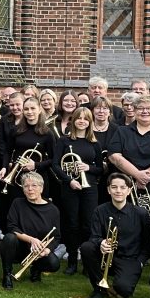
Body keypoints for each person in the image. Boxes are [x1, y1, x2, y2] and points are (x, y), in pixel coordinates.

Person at [81, 173, 150, 298]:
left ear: (129, 190)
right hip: (106, 255)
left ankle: (116, 285)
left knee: (124, 290)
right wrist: (101, 242)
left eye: (123, 187)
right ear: (108, 190)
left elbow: (147, 243)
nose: (118, 191)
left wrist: (140, 262)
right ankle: (99, 289)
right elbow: (94, 237)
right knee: (86, 247)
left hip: (129, 258)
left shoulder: (141, 213)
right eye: (114, 187)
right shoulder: (99, 211)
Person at [51, 106, 104, 275]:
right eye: (79, 118)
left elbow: (100, 169)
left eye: (86, 119)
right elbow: (55, 165)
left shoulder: (94, 143)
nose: (82, 121)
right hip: (70, 187)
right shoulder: (64, 141)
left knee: (88, 224)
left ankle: (88, 263)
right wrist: (70, 181)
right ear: (73, 120)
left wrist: (88, 167)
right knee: (72, 224)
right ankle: (72, 261)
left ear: (90, 122)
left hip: (90, 187)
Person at [0, 172, 61, 289]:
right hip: (20, 248)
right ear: (23, 189)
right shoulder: (17, 203)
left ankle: (36, 268)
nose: (30, 189)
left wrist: (46, 251)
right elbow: (11, 227)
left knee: (54, 264)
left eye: (34, 185)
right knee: (9, 238)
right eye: (26, 186)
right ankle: (7, 274)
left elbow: (56, 237)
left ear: (41, 188)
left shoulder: (53, 210)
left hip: (38, 251)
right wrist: (31, 240)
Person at [0, 97, 55, 211]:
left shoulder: (47, 133)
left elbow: (54, 159)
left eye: (33, 108)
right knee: (17, 207)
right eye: (26, 109)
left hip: (38, 177)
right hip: (17, 175)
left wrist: (35, 165)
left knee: (38, 209)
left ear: (39, 110)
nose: (29, 112)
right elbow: (8, 151)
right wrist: (4, 167)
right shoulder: (16, 130)